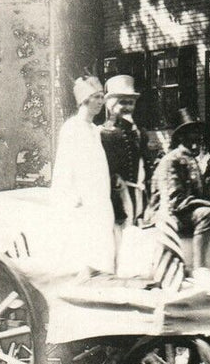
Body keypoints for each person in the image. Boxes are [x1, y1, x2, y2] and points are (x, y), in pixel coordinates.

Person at [40, 76, 117, 275]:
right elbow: (64, 166)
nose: (101, 102)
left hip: (99, 195)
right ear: (84, 99)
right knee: (83, 244)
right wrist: (72, 195)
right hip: (81, 197)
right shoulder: (72, 128)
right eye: (97, 97)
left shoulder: (94, 130)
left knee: (102, 242)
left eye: (102, 97)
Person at [146, 109, 210, 277]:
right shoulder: (172, 160)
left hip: (184, 213)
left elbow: (199, 195)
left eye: (198, 132)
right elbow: (176, 201)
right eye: (192, 133)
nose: (197, 138)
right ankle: (199, 267)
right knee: (207, 214)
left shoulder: (191, 159)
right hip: (168, 215)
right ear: (181, 137)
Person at [99, 74, 147, 225]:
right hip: (116, 196)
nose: (127, 107)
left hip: (137, 193)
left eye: (131, 103)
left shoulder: (138, 132)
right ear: (111, 105)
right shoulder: (106, 132)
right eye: (122, 102)